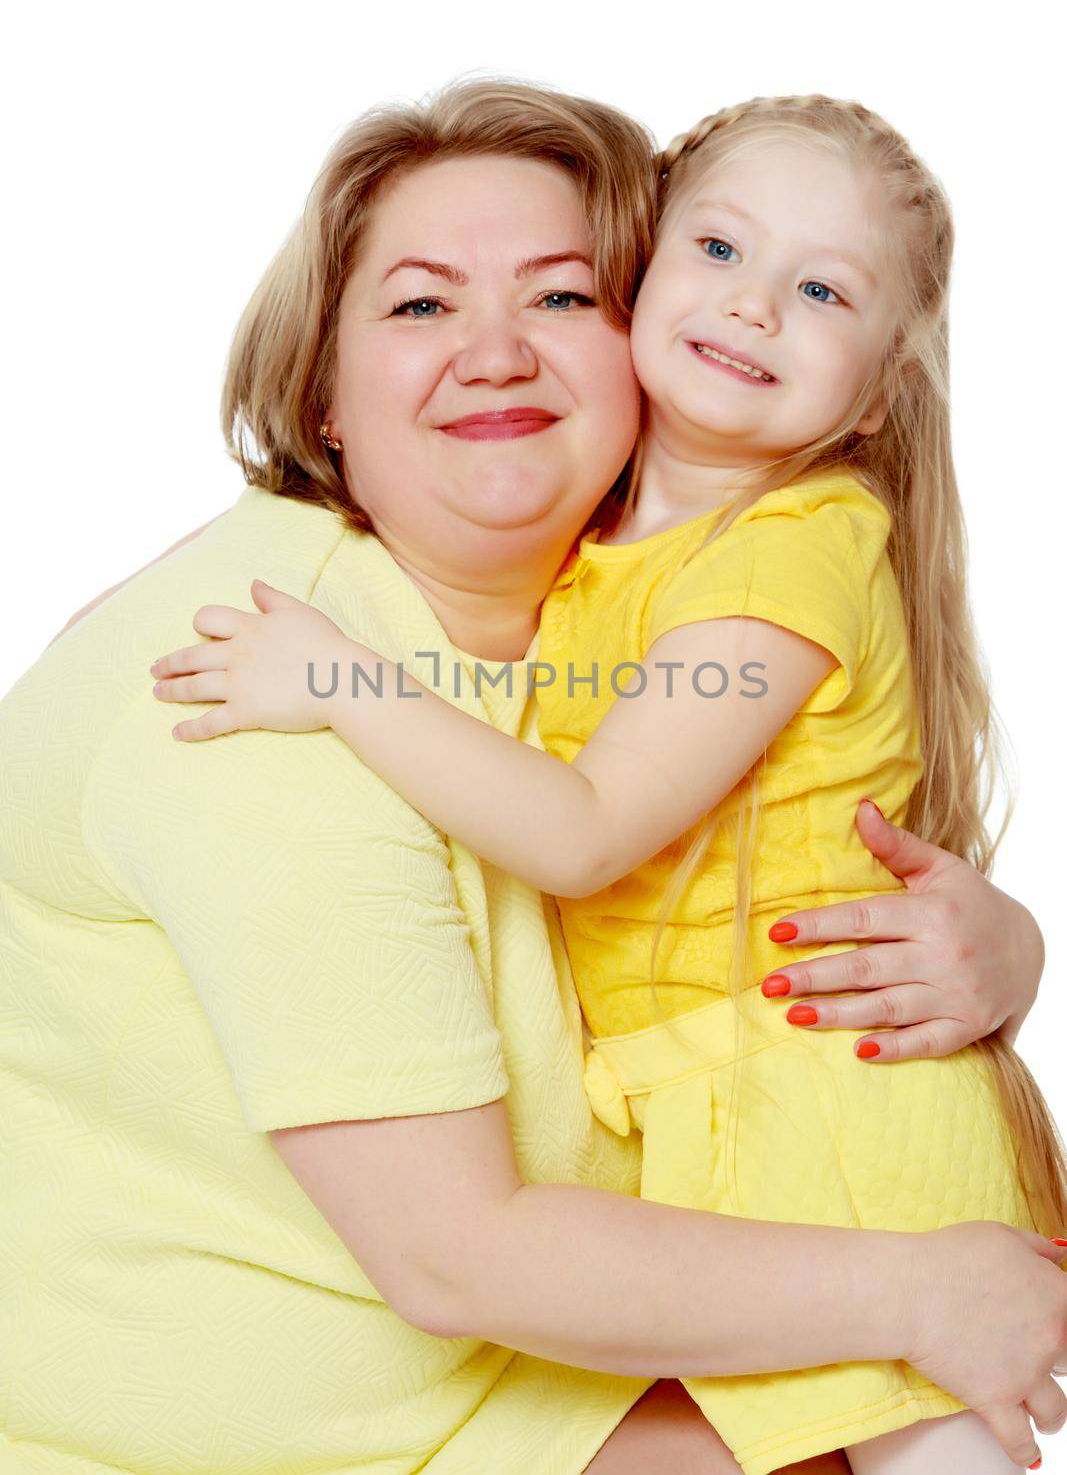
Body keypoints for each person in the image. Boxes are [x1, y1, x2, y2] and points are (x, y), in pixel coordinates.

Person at [1, 81, 1062, 1475]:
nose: (495, 353)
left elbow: (713, 882)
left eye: (563, 299)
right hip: (287, 1432)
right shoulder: (267, 691)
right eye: (421, 306)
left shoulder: (600, 620)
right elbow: (455, 1258)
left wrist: (1000, 947)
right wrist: (919, 1288)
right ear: (319, 390)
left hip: (513, 1372)